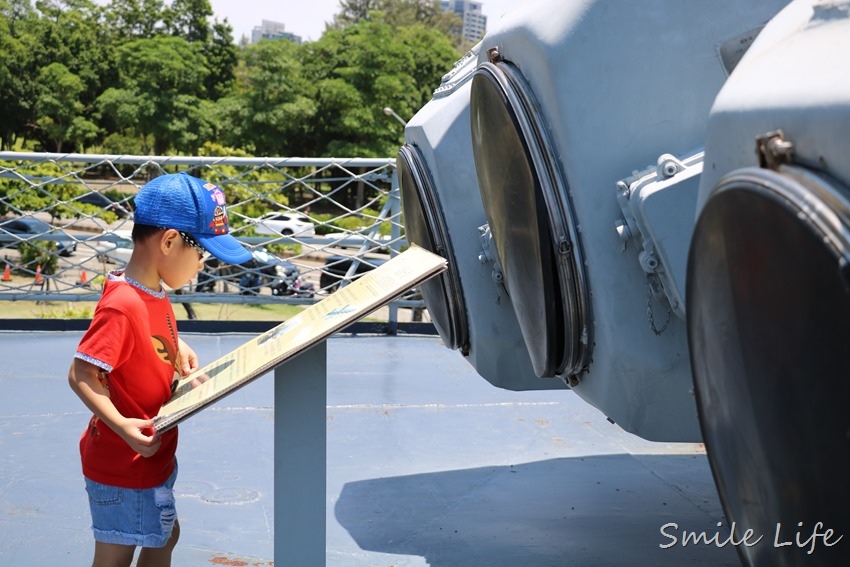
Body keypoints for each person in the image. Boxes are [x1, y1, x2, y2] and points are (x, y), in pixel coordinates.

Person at [68, 172, 251, 567]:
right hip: (124, 464)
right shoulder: (124, 304)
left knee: (164, 535)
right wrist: (122, 424)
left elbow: (145, 336)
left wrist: (176, 349)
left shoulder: (151, 292)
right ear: (169, 241)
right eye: (201, 253)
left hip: (151, 459)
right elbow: (82, 374)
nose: (202, 265)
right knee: (115, 557)